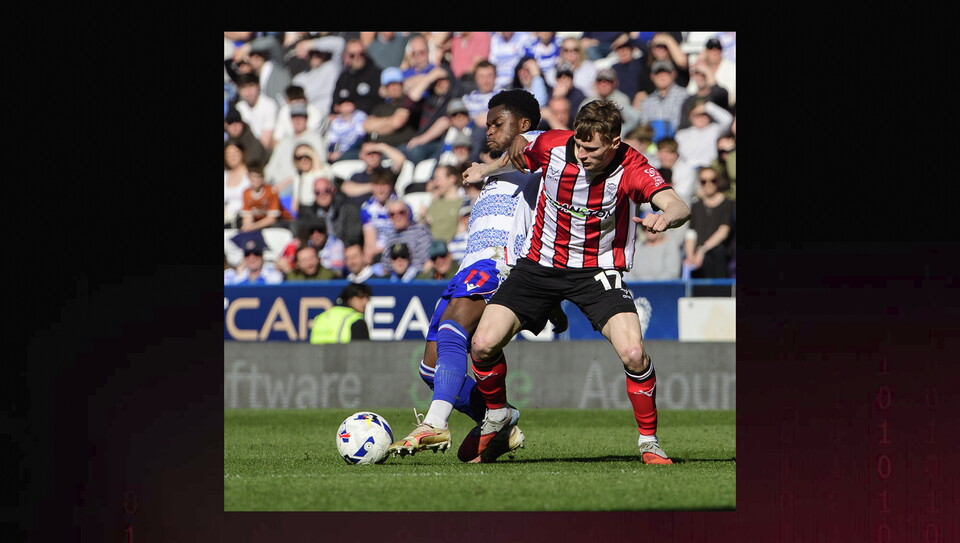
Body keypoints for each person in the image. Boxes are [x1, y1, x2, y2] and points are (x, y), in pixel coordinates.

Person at [461, 99, 691, 464]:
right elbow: (519, 151)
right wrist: (486, 169)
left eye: (592, 149)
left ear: (614, 143)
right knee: (483, 344)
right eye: (579, 145)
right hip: (538, 266)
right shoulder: (553, 145)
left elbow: (678, 204)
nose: (582, 154)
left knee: (634, 353)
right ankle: (498, 414)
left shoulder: (632, 166)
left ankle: (649, 442)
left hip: (595, 271)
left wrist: (668, 217)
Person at [388, 88, 568, 463]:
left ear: (522, 124)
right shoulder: (500, 171)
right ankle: (497, 419)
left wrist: (487, 167)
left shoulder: (535, 148)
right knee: (430, 367)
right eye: (486, 124)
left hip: (499, 263)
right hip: (469, 266)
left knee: (456, 330)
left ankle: (436, 422)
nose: (488, 131)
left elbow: (529, 151)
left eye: (497, 123)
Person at [264, 104, 328, 204]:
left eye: (301, 117)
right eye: (294, 117)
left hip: (300, 185)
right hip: (276, 185)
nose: (297, 120)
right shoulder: (284, 142)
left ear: (306, 119)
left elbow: (319, 168)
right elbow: (270, 168)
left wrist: (289, 181)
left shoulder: (315, 139)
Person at [682, 166, 733, 279]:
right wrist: (690, 255)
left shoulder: (728, 203)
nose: (709, 184)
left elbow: (723, 231)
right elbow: (691, 232)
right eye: (704, 181)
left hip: (718, 255)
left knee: (715, 254)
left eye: (713, 180)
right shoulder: (696, 205)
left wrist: (702, 250)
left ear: (718, 181)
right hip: (699, 256)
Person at [339, 138, 408, 208]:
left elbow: (400, 160)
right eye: (368, 153)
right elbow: (347, 189)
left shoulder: (388, 172)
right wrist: (375, 186)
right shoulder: (357, 176)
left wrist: (381, 146)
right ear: (361, 156)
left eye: (375, 152)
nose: (372, 156)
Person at [297, 175, 363, 247]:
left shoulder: (348, 210)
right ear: (314, 194)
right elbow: (303, 238)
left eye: (326, 190)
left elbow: (352, 238)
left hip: (344, 250)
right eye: (317, 192)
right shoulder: (308, 214)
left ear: (333, 190)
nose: (322, 194)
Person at [362, 66, 417, 147]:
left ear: (402, 85)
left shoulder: (407, 103)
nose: (394, 88)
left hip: (399, 148)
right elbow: (366, 125)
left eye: (396, 84)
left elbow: (397, 123)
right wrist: (390, 122)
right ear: (385, 88)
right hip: (374, 149)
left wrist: (377, 127)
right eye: (390, 85)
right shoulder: (380, 107)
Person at [622, 209, 684, 281]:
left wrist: (651, 286)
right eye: (645, 227)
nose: (649, 230)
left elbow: (672, 273)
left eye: (653, 225)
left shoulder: (670, 245)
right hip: (638, 289)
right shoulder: (638, 246)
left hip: (661, 288)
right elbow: (630, 272)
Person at [291, 36, 345, 116]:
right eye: (312, 52)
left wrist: (310, 45)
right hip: (310, 118)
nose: (315, 55)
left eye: (318, 52)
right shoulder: (299, 79)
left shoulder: (332, 67)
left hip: (331, 115)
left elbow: (340, 44)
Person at [673, 98, 734, 169]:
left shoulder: (715, 129)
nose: (701, 118)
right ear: (690, 116)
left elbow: (728, 120)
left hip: (710, 167)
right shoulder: (681, 134)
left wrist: (707, 107)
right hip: (689, 168)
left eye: (704, 114)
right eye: (697, 115)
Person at [360, 168, 403, 265]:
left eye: (384, 185)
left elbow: (404, 236)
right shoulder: (367, 208)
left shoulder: (400, 206)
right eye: (377, 185)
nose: (380, 190)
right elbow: (369, 243)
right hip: (377, 256)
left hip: (398, 252)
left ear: (391, 186)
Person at [581, 68, 640, 136]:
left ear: (615, 83)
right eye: (600, 80)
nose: (604, 84)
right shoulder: (588, 102)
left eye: (608, 81)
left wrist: (622, 132)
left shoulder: (622, 99)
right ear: (596, 83)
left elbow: (633, 119)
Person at [638, 60, 687, 144]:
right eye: (658, 74)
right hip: (653, 146)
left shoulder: (684, 96)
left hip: (678, 143)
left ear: (673, 74)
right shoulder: (647, 101)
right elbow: (644, 126)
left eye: (666, 73)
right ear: (652, 77)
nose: (662, 77)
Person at [379, 197, 433, 272]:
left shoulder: (420, 231)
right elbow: (385, 267)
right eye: (392, 214)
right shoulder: (390, 236)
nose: (397, 217)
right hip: (395, 280)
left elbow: (426, 262)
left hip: (416, 278)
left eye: (401, 212)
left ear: (407, 213)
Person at [333, 38, 383, 115]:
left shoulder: (376, 74)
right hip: (343, 120)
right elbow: (335, 104)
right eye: (352, 55)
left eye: (361, 54)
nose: (357, 58)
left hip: (366, 119)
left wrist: (352, 109)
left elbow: (376, 102)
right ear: (347, 56)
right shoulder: (343, 77)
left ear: (366, 53)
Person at [239, 164, 294, 232]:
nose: (256, 180)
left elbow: (272, 218)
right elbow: (247, 217)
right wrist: (247, 227)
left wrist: (253, 227)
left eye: (259, 177)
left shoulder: (271, 191)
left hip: (280, 221)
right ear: (249, 177)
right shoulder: (246, 193)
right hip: (260, 222)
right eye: (254, 177)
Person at [678, 60, 730, 131]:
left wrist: (707, 71)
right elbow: (683, 127)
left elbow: (720, 93)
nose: (700, 77)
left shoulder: (717, 96)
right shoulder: (688, 100)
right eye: (697, 74)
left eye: (703, 74)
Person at [234, 73, 279, 153]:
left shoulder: (269, 105)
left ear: (258, 86)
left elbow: (266, 140)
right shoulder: (239, 108)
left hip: (264, 151)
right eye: (244, 87)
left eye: (251, 86)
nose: (248, 91)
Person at [422, 164, 467, 242]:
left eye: (438, 179)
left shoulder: (463, 203)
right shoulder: (434, 203)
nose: (435, 183)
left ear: (451, 179)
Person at [271, 85, 324, 149]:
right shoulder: (284, 111)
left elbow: (308, 138)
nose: (297, 104)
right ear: (287, 101)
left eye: (300, 100)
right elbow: (277, 139)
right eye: (293, 101)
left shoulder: (315, 113)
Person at [688, 37, 735, 108]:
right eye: (711, 49)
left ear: (721, 52)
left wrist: (707, 72)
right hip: (700, 107)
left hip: (724, 108)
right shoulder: (700, 68)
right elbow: (690, 91)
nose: (715, 52)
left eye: (718, 50)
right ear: (706, 52)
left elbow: (728, 97)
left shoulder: (732, 68)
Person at [609, 36, 650, 111]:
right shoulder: (614, 68)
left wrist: (629, 39)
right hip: (621, 106)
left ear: (632, 50)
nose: (623, 52)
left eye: (626, 49)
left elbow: (648, 51)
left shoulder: (640, 63)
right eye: (620, 50)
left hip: (640, 104)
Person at [324, 93, 368, 162]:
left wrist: (343, 153)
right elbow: (332, 141)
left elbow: (360, 138)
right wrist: (330, 152)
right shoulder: (336, 122)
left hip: (356, 149)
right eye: (343, 103)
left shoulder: (360, 115)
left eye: (349, 103)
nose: (346, 105)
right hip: (340, 151)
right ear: (337, 107)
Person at [224, 141, 251, 229]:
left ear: (242, 153)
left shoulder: (250, 175)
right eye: (228, 153)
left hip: (243, 218)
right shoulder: (225, 175)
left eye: (235, 152)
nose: (232, 156)